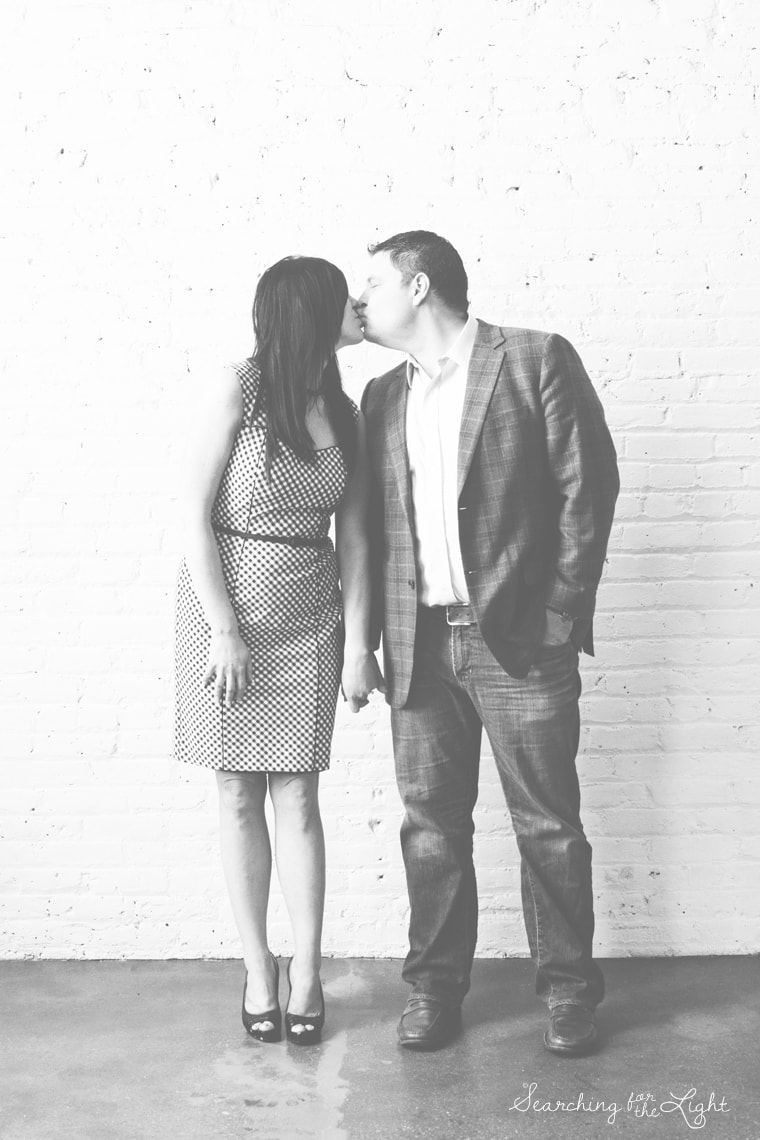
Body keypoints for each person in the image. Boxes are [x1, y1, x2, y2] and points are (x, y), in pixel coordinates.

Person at [357, 230, 619, 1055]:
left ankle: (569, 993)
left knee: (547, 824)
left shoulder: (534, 359)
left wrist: (560, 613)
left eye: (373, 283)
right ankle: (434, 989)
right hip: (418, 644)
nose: (361, 300)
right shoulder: (380, 396)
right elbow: (371, 528)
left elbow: (588, 487)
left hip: (519, 641)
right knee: (430, 827)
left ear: (419, 286)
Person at [174, 256, 383, 1046]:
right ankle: (258, 968)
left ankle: (306, 972)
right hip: (226, 617)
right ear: (309, 313)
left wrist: (358, 644)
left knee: (298, 798)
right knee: (236, 794)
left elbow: (355, 539)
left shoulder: (344, 410)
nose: (359, 303)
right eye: (344, 296)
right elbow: (192, 515)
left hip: (309, 618)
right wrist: (223, 626)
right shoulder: (239, 388)